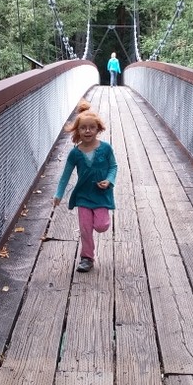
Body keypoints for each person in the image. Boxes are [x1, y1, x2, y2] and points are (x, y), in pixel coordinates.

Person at [53, 100, 118, 272]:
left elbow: (113, 166)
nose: (87, 131)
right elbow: (66, 175)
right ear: (78, 130)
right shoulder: (75, 153)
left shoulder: (106, 149)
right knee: (85, 228)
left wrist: (110, 181)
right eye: (83, 128)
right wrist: (58, 194)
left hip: (101, 195)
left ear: (98, 129)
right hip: (82, 196)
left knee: (102, 226)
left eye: (91, 127)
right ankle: (87, 257)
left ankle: (89, 249)